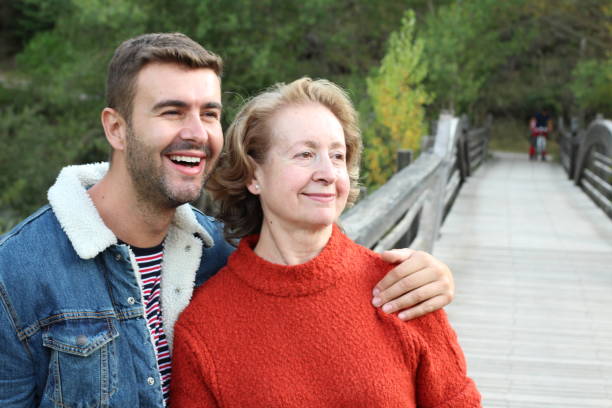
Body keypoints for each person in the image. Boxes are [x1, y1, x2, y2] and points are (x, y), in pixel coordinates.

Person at [0, 33, 455, 407]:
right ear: (116, 128)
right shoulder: (18, 271)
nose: (196, 133)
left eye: (210, 114)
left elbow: (306, 277)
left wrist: (429, 275)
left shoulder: (217, 252)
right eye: (172, 111)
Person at [171, 78, 481, 407]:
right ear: (253, 175)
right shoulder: (205, 325)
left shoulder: (401, 287)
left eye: (337, 156)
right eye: (305, 154)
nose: (328, 173)